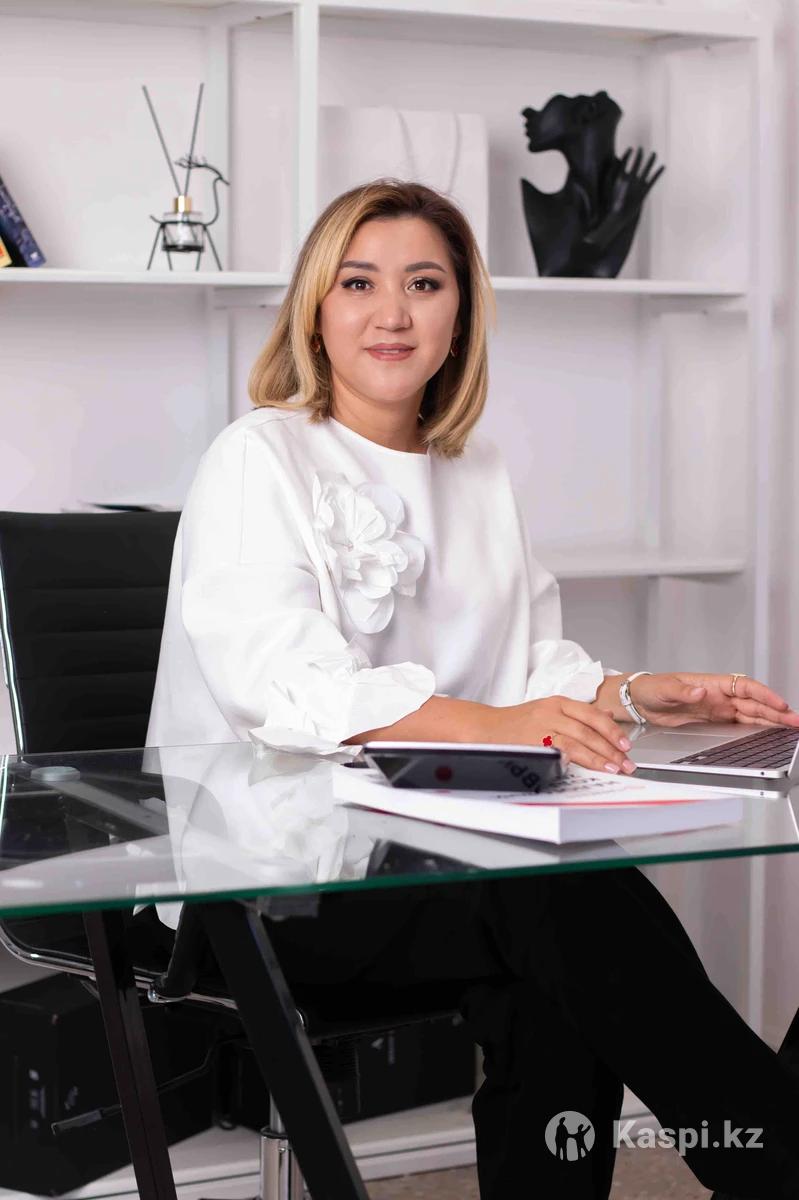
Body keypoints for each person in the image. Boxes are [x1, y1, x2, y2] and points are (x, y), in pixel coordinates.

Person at [146, 179, 799, 1199]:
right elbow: (285, 687)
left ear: (460, 314)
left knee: (558, 955)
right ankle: (775, 1157)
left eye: (424, 284)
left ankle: (767, 1153)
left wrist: (637, 694)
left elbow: (525, 668)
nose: (392, 313)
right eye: (358, 283)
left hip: (446, 867)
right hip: (271, 884)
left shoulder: (476, 467)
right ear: (315, 306)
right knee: (559, 903)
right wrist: (504, 722)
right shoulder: (257, 458)